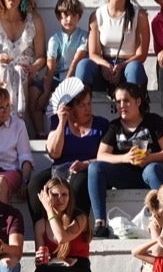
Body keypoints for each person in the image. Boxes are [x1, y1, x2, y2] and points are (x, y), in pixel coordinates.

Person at [87, 81, 163, 236]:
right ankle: (100, 222)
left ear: (138, 101)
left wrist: (150, 158)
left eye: (126, 101)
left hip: (153, 172)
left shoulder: (154, 121)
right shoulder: (114, 126)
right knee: (95, 168)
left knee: (152, 169)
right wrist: (125, 158)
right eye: (118, 101)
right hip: (127, 174)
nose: (122, 105)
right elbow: (101, 155)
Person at [26, 82, 104, 224]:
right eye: (82, 105)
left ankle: (74, 227)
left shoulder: (101, 124)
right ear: (70, 107)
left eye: (89, 104)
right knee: (35, 184)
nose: (88, 109)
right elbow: (54, 154)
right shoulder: (57, 121)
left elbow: (106, 156)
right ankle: (41, 228)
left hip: (86, 169)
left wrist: (86, 164)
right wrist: (62, 122)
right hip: (59, 170)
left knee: (79, 183)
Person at [27, 177, 94, 272]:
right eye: (55, 195)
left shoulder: (79, 218)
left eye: (65, 194)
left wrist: (49, 210)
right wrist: (39, 258)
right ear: (47, 196)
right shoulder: (41, 225)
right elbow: (41, 260)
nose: (61, 199)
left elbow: (61, 237)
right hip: (55, 269)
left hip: (79, 270)